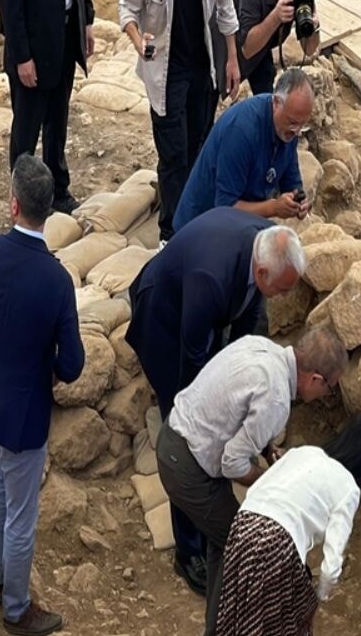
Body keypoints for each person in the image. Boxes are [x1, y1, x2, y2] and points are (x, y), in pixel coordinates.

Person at [126, 207, 305, 596]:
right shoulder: (212, 277)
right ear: (262, 274)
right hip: (165, 326)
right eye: (283, 289)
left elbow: (245, 334)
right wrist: (214, 416)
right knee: (188, 435)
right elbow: (194, 363)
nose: (286, 297)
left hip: (197, 311)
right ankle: (188, 550)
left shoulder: (265, 245)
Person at [157, 326, 348, 636]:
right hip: (188, 466)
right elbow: (232, 464)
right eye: (329, 388)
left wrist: (266, 450)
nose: (325, 395)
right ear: (316, 378)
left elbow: (236, 409)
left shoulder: (262, 348)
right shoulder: (275, 400)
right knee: (241, 545)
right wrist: (274, 478)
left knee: (224, 541)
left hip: (178, 438)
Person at [0, 155, 86, 636]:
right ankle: (16, 607)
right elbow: (71, 366)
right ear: (48, 211)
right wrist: (35, 361)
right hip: (24, 413)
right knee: (21, 514)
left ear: (13, 204)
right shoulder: (56, 280)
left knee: (0, 489)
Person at [211, 415, 361, 636]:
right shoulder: (347, 487)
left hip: (243, 525)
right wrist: (321, 594)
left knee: (240, 624)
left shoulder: (304, 452)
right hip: (275, 543)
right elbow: (331, 563)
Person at [118, 0, 241, 243]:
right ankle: (170, 234)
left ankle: (193, 219)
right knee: (173, 155)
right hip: (165, 73)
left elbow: (225, 7)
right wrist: (137, 39)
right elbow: (127, 8)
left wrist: (232, 60)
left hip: (200, 68)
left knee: (197, 149)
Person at [172, 67, 313, 232]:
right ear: (276, 103)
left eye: (302, 125)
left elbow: (291, 182)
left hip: (241, 221)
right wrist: (274, 208)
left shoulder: (288, 130)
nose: (296, 131)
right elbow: (226, 208)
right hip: (201, 226)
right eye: (293, 122)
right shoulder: (242, 131)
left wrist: (299, 201)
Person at [0, 0, 95, 214]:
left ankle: (58, 191)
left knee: (58, 121)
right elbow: (10, 7)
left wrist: (86, 20)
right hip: (34, 47)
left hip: (66, 38)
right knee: (26, 131)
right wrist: (22, 57)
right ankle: (22, 203)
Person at [235, 0, 320, 96]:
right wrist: (276, 17)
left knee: (268, 98)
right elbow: (247, 50)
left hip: (263, 48)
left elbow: (310, 50)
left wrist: (313, 27)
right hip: (225, 44)